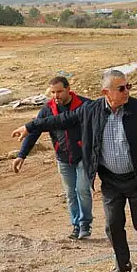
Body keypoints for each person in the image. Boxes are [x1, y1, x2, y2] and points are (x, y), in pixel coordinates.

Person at [12, 70, 137, 272]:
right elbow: (59, 120)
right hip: (110, 180)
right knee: (112, 225)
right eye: (121, 88)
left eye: (128, 86)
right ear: (106, 92)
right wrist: (29, 127)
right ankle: (123, 266)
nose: (126, 91)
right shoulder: (90, 110)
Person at [13, 76, 93, 240]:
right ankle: (76, 226)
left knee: (82, 190)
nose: (56, 96)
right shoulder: (47, 109)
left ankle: (85, 223)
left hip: (84, 156)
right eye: (53, 92)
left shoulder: (85, 105)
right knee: (70, 193)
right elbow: (35, 131)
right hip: (63, 157)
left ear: (68, 89)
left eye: (59, 91)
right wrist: (22, 155)